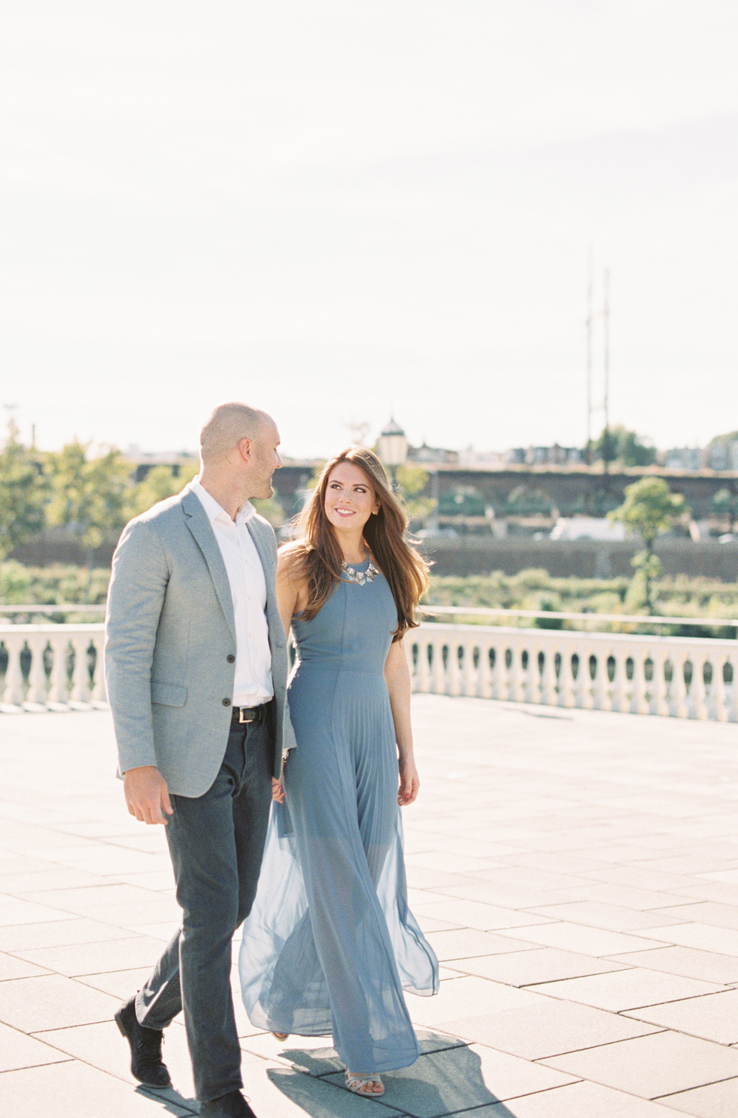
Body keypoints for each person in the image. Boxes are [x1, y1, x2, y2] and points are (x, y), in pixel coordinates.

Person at [105, 403, 295, 1118]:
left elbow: (271, 649)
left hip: (254, 740)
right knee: (210, 909)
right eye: (274, 448)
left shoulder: (260, 533)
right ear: (244, 449)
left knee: (232, 903)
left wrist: (278, 745)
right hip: (187, 753)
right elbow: (124, 653)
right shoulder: (155, 532)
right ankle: (220, 1089)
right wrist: (137, 762)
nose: (282, 459)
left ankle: (143, 1013)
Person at [239, 446, 438, 1098]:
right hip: (314, 728)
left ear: (378, 501)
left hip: (373, 733)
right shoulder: (296, 562)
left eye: (358, 488)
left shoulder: (396, 567)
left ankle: (282, 988)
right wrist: (273, 748)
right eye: (335, 486)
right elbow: (266, 661)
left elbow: (396, 666)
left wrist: (408, 750)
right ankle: (362, 1045)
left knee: (366, 870)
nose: (344, 497)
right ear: (322, 495)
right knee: (345, 885)